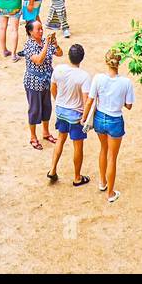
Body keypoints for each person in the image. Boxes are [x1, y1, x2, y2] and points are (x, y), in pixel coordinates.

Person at [83, 48, 135, 204]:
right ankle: (111, 193)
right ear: (119, 62)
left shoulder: (98, 78)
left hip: (100, 118)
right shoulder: (126, 82)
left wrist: (84, 118)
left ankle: (102, 182)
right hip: (115, 120)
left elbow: (90, 100)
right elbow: (129, 105)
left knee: (103, 149)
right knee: (112, 156)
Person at [48, 43, 91, 186]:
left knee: (60, 138)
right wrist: (84, 118)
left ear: (69, 56)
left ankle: (52, 169)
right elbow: (86, 101)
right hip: (75, 114)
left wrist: (57, 100)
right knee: (78, 146)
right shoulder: (84, 76)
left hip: (61, 110)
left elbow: (52, 87)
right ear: (82, 58)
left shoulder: (59, 69)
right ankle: (77, 177)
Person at [22, 20, 62, 150]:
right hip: (33, 81)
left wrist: (55, 44)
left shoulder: (45, 41)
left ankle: (45, 132)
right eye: (38, 29)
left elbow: (60, 53)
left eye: (41, 29)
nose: (41, 31)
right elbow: (38, 60)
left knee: (47, 107)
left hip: (46, 80)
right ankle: (33, 136)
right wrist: (46, 45)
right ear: (30, 32)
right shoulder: (28, 45)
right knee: (34, 109)